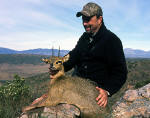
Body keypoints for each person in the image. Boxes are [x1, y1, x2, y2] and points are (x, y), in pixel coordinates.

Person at [51, 2, 128, 108]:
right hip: (76, 85)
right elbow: (74, 55)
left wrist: (106, 91)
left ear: (99, 19)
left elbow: (120, 73)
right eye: (83, 19)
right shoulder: (85, 37)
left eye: (88, 19)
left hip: (93, 93)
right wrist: (60, 66)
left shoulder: (112, 40)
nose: (84, 23)